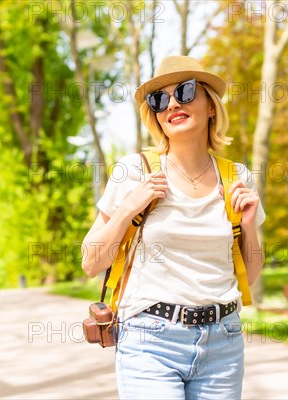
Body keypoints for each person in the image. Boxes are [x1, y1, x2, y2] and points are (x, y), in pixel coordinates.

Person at [81, 55, 266, 399]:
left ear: (211, 105)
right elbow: (91, 263)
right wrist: (127, 209)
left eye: (185, 90)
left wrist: (250, 225)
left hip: (223, 342)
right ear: (155, 117)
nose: (173, 103)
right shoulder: (134, 171)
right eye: (159, 99)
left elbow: (249, 276)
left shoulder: (236, 176)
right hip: (149, 341)